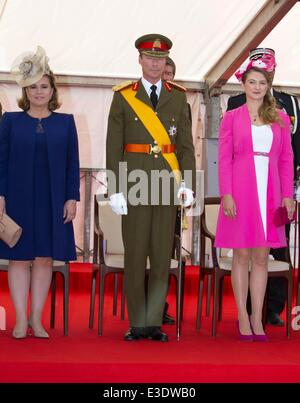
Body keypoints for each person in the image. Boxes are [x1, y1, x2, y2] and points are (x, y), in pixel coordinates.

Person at [106, 34, 196, 342]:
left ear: (166, 62)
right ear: (140, 60)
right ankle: (137, 323)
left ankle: (154, 321)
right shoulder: (123, 96)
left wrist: (187, 183)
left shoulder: (179, 96)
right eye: (150, 58)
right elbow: (113, 145)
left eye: (160, 59)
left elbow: (185, 144)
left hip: (166, 184)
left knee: (160, 257)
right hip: (134, 183)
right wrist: (115, 187)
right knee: (135, 256)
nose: (155, 63)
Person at [0, 46, 80, 339]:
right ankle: (20, 319)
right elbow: (1, 161)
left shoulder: (66, 122)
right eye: (32, 87)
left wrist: (72, 197)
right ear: (25, 90)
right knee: (19, 258)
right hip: (17, 198)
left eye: (43, 86)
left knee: (45, 258)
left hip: (53, 201)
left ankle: (36, 318)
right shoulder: (9, 121)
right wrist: (0, 195)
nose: (38, 92)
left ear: (52, 90)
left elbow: (73, 164)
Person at [215, 55, 294, 341]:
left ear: (267, 85)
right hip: (240, 190)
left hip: (271, 191)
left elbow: (286, 159)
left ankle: (257, 317)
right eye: (252, 82)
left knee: (262, 257)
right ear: (244, 84)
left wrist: (287, 195)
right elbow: (223, 159)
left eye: (262, 82)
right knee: (241, 256)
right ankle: (241, 316)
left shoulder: (281, 118)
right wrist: (226, 194)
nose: (257, 87)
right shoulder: (231, 117)